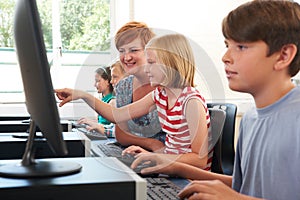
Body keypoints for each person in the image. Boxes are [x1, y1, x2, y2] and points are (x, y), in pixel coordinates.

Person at [130, 1, 300, 200]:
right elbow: (242, 186)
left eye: (241, 47)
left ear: (283, 55)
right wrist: (174, 165)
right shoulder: (251, 118)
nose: (225, 57)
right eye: (227, 45)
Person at [55, 33, 213, 169]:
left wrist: (158, 157)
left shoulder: (191, 102)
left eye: (151, 63)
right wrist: (83, 95)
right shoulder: (160, 95)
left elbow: (199, 160)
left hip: (190, 180)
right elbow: (116, 115)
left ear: (171, 64)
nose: (146, 68)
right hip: (170, 168)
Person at [112, 21, 166, 151]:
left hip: (165, 157)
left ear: (150, 52)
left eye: (133, 50)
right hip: (134, 152)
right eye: (121, 51)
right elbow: (121, 134)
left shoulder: (167, 83)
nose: (126, 57)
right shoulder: (123, 86)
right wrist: (151, 143)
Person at [77, 66, 116, 137]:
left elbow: (111, 127)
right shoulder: (103, 100)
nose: (94, 85)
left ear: (107, 81)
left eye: (98, 81)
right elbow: (101, 123)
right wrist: (89, 122)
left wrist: (92, 123)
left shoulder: (112, 102)